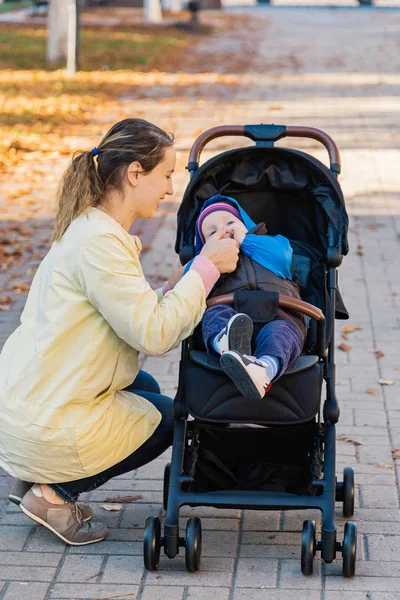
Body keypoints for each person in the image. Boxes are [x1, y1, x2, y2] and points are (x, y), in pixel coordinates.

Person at [0, 119, 240, 546]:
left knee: (141, 384)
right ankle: (53, 494)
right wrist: (206, 268)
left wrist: (176, 285)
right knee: (168, 418)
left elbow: (124, 312)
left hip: (31, 400)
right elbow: (153, 335)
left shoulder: (89, 227)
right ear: (135, 173)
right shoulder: (101, 244)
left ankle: (38, 480)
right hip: (43, 419)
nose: (169, 189)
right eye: (165, 175)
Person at [194, 195, 307, 401]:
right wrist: (204, 260)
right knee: (214, 315)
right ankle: (226, 345)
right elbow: (190, 283)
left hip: (280, 315)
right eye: (212, 232)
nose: (224, 230)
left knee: (281, 334)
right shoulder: (207, 261)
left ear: (245, 224)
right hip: (231, 315)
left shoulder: (272, 244)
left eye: (230, 222)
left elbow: (281, 257)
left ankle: (262, 369)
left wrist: (246, 240)